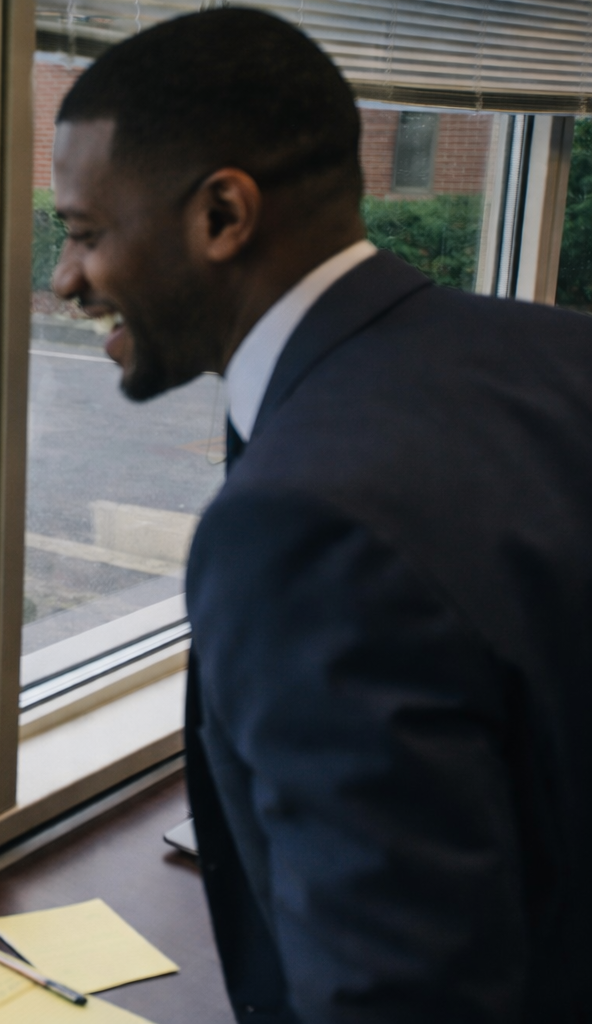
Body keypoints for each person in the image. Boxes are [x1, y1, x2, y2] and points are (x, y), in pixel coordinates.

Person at [50, 9, 592, 1022]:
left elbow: (404, 994)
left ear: (223, 214)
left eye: (85, 233)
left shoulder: (302, 519)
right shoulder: (561, 349)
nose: (66, 279)